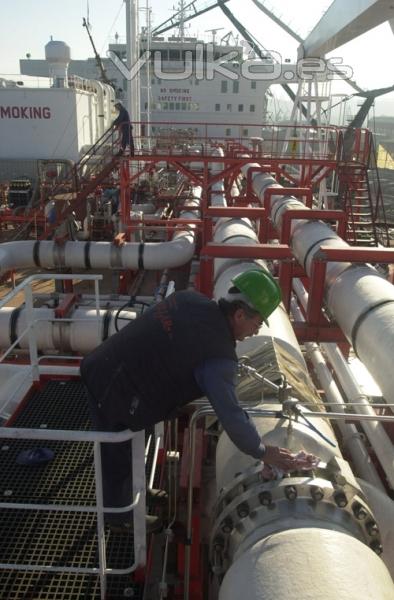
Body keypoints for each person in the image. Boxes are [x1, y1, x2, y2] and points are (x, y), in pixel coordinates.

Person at [80, 269, 318, 532]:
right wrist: (263, 451)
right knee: (116, 450)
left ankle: (136, 493)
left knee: (134, 441)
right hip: (112, 388)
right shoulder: (218, 357)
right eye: (257, 323)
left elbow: (169, 344)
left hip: (113, 364)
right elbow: (231, 414)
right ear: (240, 314)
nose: (256, 330)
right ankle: (119, 516)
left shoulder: (189, 300)